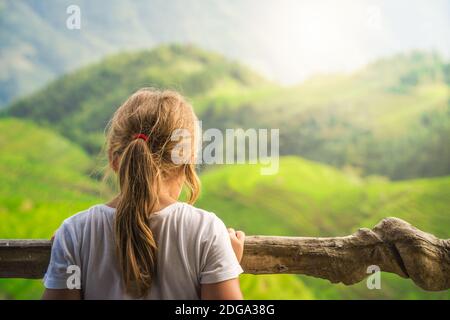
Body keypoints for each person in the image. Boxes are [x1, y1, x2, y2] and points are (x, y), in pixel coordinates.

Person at [42, 88, 245, 300]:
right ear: (188, 161)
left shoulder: (74, 234)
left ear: (114, 159)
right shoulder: (207, 231)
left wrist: (68, 243)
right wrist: (225, 265)